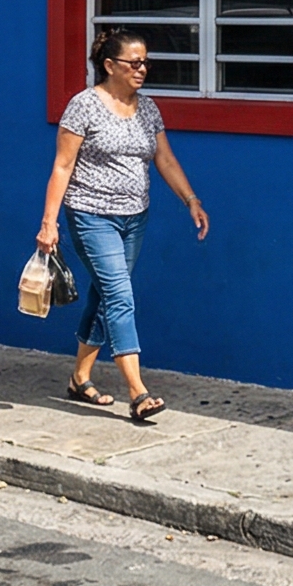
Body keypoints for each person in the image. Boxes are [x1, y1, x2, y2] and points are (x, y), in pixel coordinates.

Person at [38, 30, 208, 423]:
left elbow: (163, 159)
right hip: (90, 214)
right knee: (120, 295)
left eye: (146, 62)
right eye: (135, 63)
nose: (143, 69)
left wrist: (191, 200)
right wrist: (49, 223)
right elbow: (62, 166)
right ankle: (138, 391)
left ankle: (80, 376)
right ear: (110, 65)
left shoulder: (147, 109)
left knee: (105, 294)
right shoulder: (84, 106)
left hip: (135, 217)